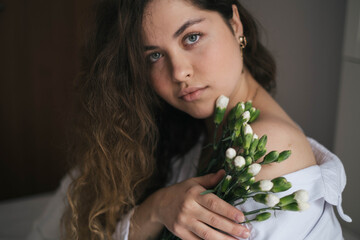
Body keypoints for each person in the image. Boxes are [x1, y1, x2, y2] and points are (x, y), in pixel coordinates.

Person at [27, 0, 351, 239]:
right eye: (154, 55)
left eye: (191, 37)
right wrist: (159, 206)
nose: (179, 72)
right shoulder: (197, 131)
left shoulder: (266, 149)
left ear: (234, 24)